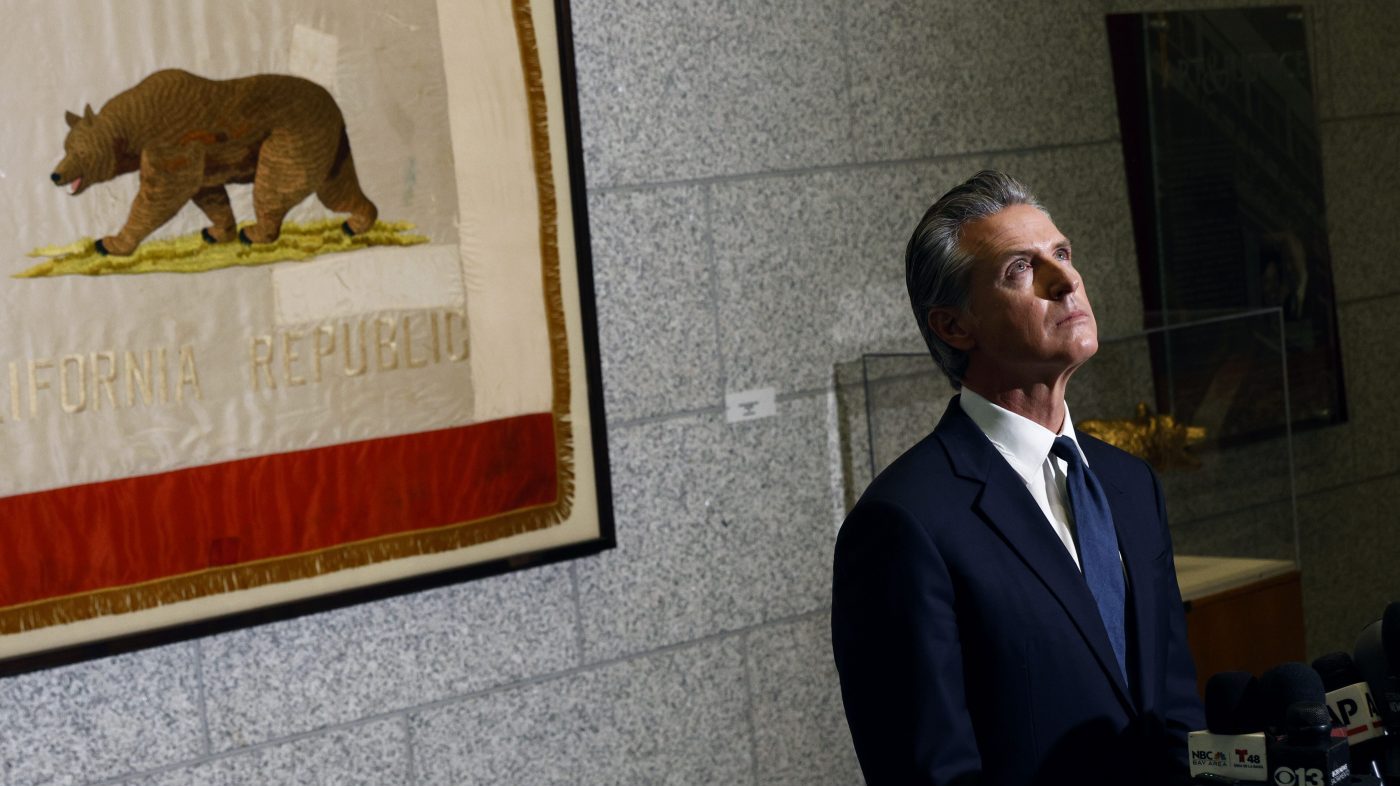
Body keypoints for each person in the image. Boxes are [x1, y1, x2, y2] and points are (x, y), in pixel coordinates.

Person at [831, 171, 1204, 785]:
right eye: (1020, 270)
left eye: (1061, 253)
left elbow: (1177, 716)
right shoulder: (904, 523)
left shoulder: (1132, 484)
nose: (1068, 281)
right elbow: (930, 774)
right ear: (955, 326)